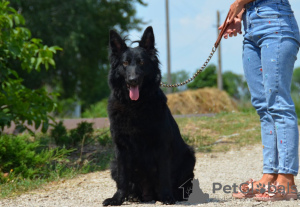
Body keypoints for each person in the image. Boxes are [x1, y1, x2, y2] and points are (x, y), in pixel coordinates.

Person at [219, 0, 300, 201]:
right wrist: (241, 13)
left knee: (278, 105)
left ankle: (287, 180)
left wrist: (238, 3)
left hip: (276, 24)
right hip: (251, 28)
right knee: (264, 107)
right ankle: (269, 176)